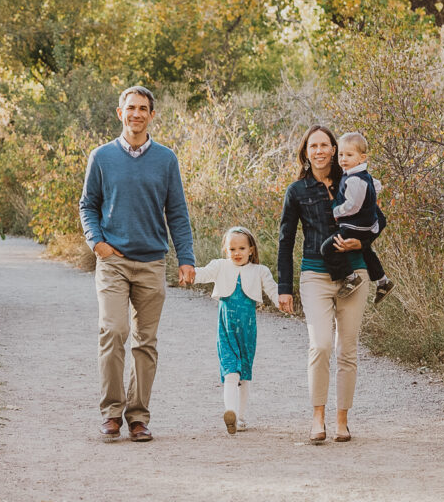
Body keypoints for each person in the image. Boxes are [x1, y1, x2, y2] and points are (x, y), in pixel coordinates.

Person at [79, 85, 195, 444]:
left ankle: (138, 417)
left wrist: (186, 258)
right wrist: (96, 242)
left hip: (151, 263)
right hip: (113, 261)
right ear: (120, 113)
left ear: (152, 115)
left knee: (145, 342)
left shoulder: (166, 159)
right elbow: (88, 205)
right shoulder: (101, 157)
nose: (137, 114)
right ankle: (111, 413)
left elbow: (177, 212)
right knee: (113, 332)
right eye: (131, 108)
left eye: (143, 108)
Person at [277, 125, 369, 445]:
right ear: (306, 152)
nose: (319, 151)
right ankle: (318, 416)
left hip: (355, 275)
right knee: (321, 345)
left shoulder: (353, 183)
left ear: (334, 150)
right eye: (312, 146)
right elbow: (285, 240)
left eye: (325, 145)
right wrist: (284, 287)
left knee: (348, 349)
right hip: (315, 275)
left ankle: (342, 420)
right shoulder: (297, 191)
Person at [192, 226, 278, 434]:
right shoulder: (220, 266)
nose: (236, 253)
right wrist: (188, 272)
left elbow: (273, 290)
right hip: (226, 329)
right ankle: (230, 413)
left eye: (241, 248)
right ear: (226, 250)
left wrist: (282, 301)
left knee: (244, 373)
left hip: (247, 330)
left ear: (251, 250)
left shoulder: (260, 271)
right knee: (230, 371)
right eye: (232, 249)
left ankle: (240, 417)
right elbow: (200, 275)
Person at [319, 131, 394, 305]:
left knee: (327, 249)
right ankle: (383, 281)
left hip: (356, 226)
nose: (343, 159)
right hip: (366, 226)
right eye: (341, 155)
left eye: (349, 155)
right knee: (366, 251)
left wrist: (337, 211)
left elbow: (353, 206)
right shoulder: (362, 175)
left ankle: (350, 277)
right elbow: (377, 185)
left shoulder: (354, 180)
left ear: (362, 158)